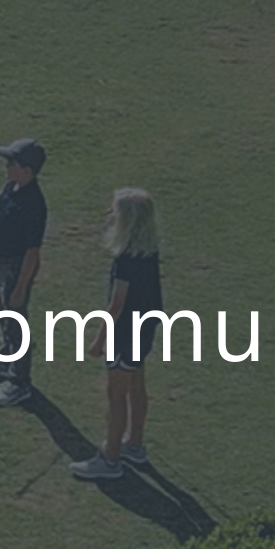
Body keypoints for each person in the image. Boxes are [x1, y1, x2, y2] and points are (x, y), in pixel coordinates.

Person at [71, 188, 164, 480]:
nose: (110, 215)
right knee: (136, 385)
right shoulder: (149, 251)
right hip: (144, 329)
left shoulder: (125, 258)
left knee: (116, 394)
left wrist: (99, 339)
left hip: (124, 334)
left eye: (115, 211)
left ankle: (110, 459)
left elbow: (117, 304)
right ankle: (133, 444)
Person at [0, 138, 49, 406]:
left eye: (12, 163)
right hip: (0, 263)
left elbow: (32, 252)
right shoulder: (10, 188)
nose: (6, 167)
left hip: (16, 269)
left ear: (27, 170)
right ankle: (7, 356)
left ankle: (20, 382)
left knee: (16, 322)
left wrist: (20, 287)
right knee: (2, 314)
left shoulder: (34, 205)